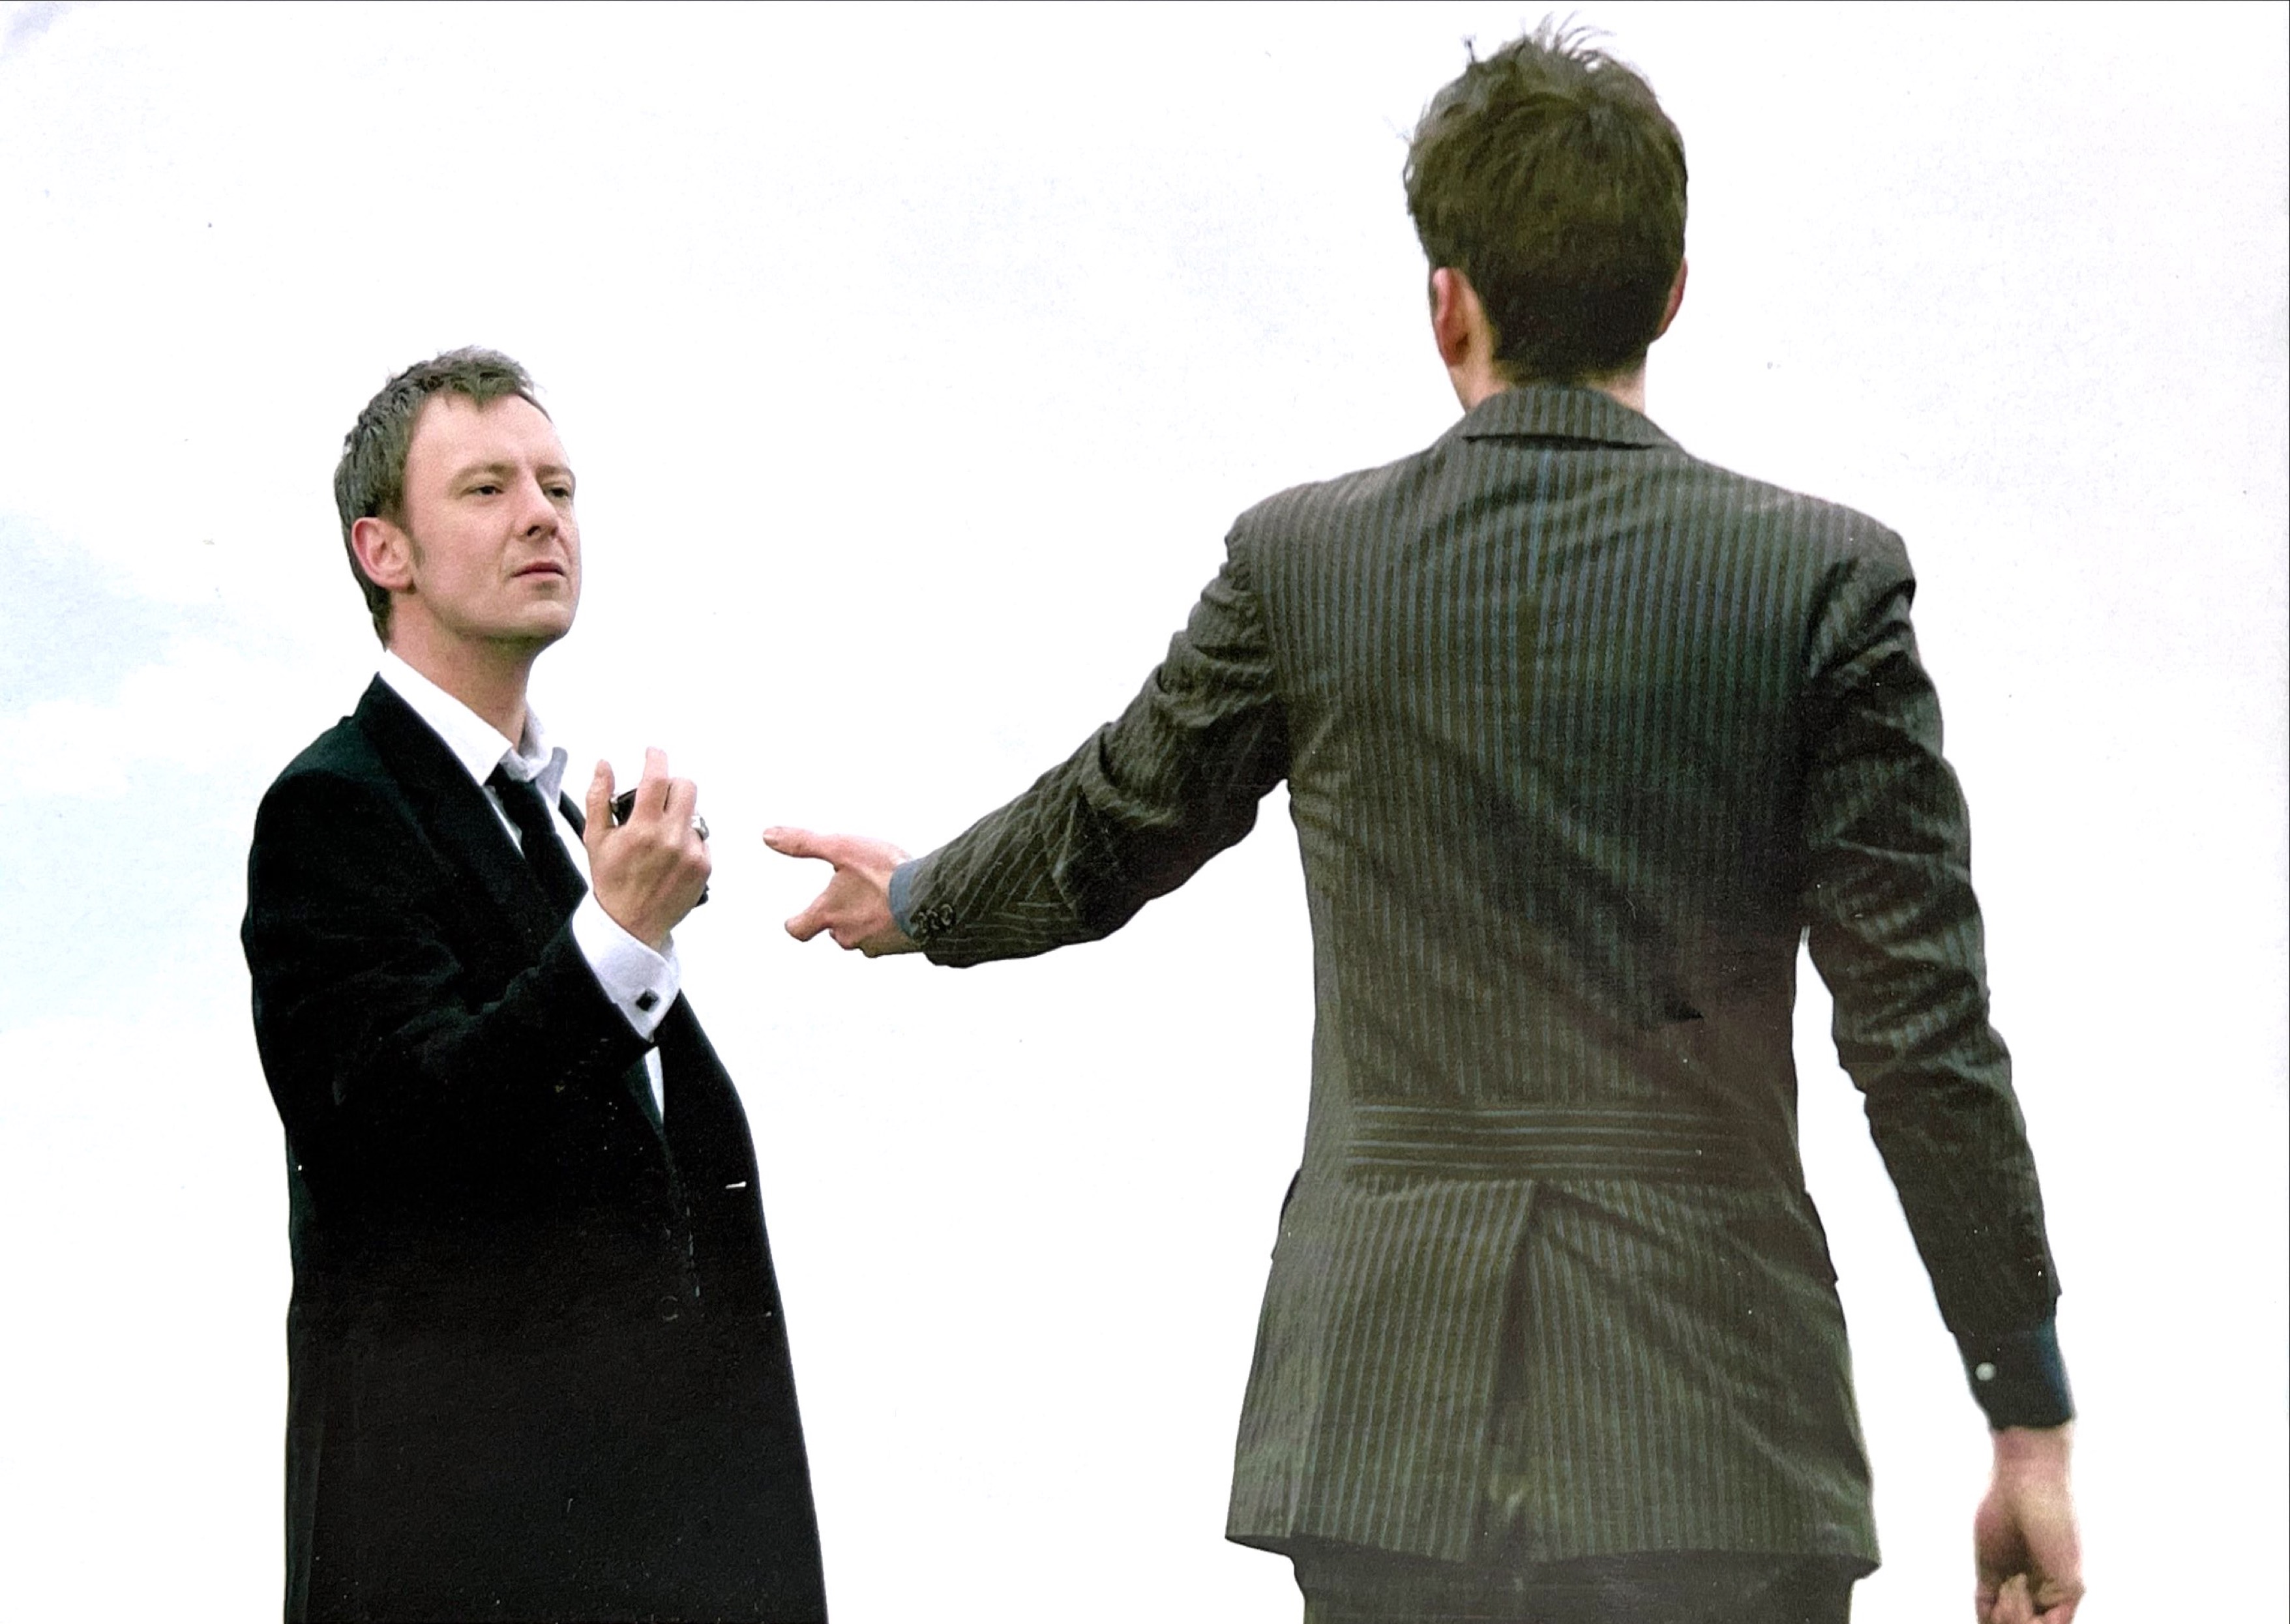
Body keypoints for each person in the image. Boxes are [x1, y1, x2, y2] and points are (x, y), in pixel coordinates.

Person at [767, 22, 2081, 1624]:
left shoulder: (1307, 563)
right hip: (1710, 1435)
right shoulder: (1824, 584)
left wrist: (922, 898)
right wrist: (2025, 1410)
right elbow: (1924, 1037)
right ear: (1672, 290)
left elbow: (1119, 816)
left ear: (1444, 299)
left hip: (1386, 1435)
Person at [241, 349, 826, 1622]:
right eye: (488, 487)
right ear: (384, 550)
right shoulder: (334, 809)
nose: (543, 514)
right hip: (470, 1560)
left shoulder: (574, 822)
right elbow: (396, 1147)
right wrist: (615, 940)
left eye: (558, 485)